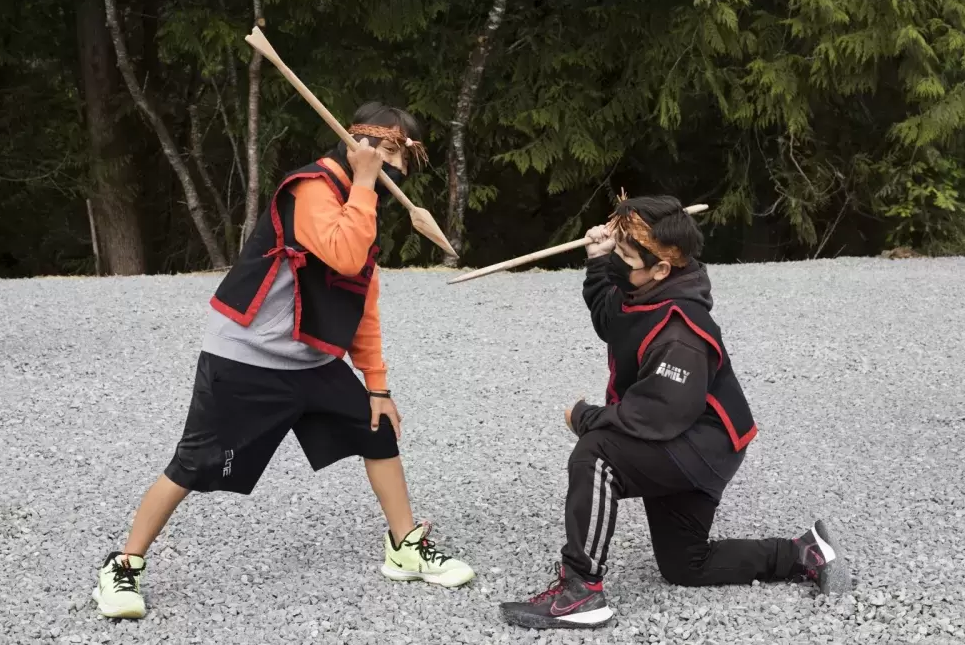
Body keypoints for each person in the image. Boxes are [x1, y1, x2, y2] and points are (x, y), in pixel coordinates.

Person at [91, 102, 475, 620]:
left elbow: (361, 298)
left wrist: (378, 385)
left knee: (376, 428)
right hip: (247, 358)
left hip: (310, 357)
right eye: (386, 150)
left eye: (402, 154)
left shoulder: (360, 203)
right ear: (355, 143)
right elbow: (341, 253)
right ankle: (122, 567)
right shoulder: (312, 190)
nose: (394, 164)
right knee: (195, 463)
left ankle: (405, 546)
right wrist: (364, 184)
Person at [499, 194, 850, 630]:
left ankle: (580, 591)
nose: (618, 263)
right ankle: (802, 553)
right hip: (688, 435)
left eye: (624, 256)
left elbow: (653, 416)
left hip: (700, 443)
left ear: (662, 267)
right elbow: (613, 320)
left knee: (596, 454)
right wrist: (597, 260)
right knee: (685, 565)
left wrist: (585, 417)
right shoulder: (651, 288)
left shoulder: (681, 332)